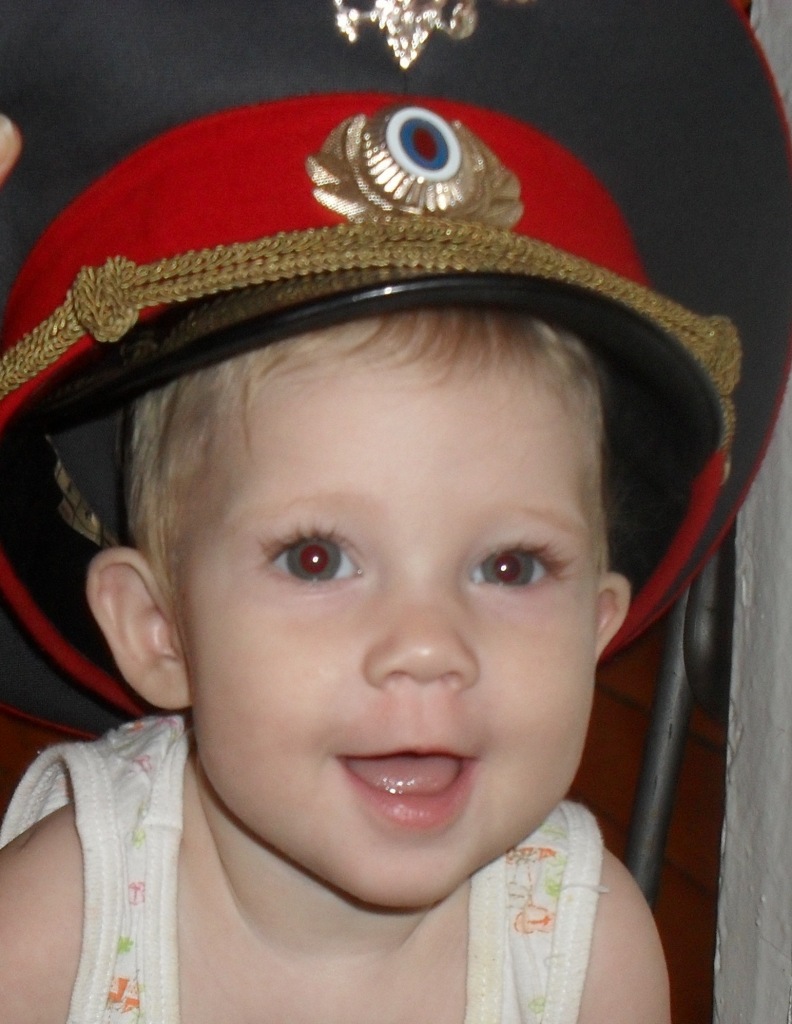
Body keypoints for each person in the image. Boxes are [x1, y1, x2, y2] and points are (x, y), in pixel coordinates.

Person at [0, 4, 788, 1022]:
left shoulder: (584, 954)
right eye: (318, 558)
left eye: (510, 566)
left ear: (596, 625)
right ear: (160, 630)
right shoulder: (54, 928)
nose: (427, 646)